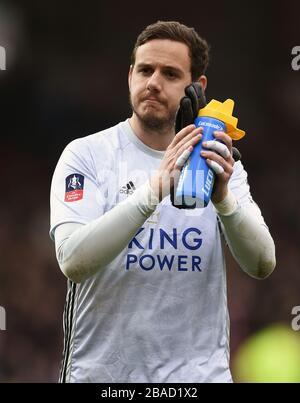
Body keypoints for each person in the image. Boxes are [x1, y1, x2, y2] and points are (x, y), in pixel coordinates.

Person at [50, 20, 276, 383]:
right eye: (145, 70)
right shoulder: (87, 155)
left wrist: (224, 201)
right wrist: (152, 192)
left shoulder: (218, 164)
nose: (153, 82)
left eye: (170, 73)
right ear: (130, 76)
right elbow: (73, 260)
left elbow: (263, 263)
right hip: (105, 379)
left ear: (196, 86)